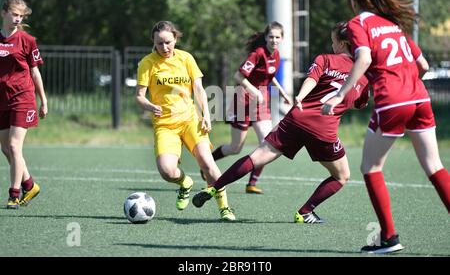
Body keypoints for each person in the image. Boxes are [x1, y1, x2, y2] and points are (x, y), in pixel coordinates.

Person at [192, 21, 369, 224]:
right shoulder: (363, 76)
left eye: (334, 42)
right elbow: (359, 104)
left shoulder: (325, 59)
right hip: (322, 129)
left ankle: (215, 186)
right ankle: (304, 212)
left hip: (296, 118)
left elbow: (311, 79)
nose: (332, 46)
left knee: (256, 156)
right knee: (341, 176)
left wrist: (300, 96)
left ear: (343, 43)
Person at [321, 0, 450, 254]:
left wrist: (340, 94)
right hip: (420, 97)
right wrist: (407, 83)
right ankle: (388, 238)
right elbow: (424, 65)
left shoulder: (359, 23)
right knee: (434, 166)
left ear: (354, 2)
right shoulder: (394, 25)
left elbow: (364, 58)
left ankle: (389, 238)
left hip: (393, 102)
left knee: (370, 168)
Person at [135, 20, 235, 221]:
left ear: (175, 38)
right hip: (165, 125)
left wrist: (206, 115)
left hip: (190, 119)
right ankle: (185, 183)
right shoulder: (147, 63)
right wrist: (149, 105)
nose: (164, 47)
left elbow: (198, 89)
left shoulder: (186, 58)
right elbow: (139, 95)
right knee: (167, 171)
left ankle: (225, 208)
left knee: (208, 163)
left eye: (168, 42)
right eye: (159, 43)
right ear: (153, 42)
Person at [203, 21, 292, 194]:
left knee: (267, 143)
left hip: (260, 104)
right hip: (243, 102)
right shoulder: (257, 53)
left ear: (282, 39)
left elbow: (269, 76)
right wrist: (254, 91)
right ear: (266, 37)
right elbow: (238, 76)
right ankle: (207, 163)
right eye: (271, 36)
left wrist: (282, 93)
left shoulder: (277, 56)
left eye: (277, 37)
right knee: (235, 148)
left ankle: (251, 183)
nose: (274, 40)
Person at [0, 0, 47, 209]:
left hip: (23, 98)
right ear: (4, 13)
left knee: (13, 145)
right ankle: (30, 184)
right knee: (6, 149)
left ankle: (14, 194)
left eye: (21, 15)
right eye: (14, 14)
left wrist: (43, 101)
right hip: (2, 100)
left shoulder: (27, 40)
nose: (18, 19)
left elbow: (35, 73)